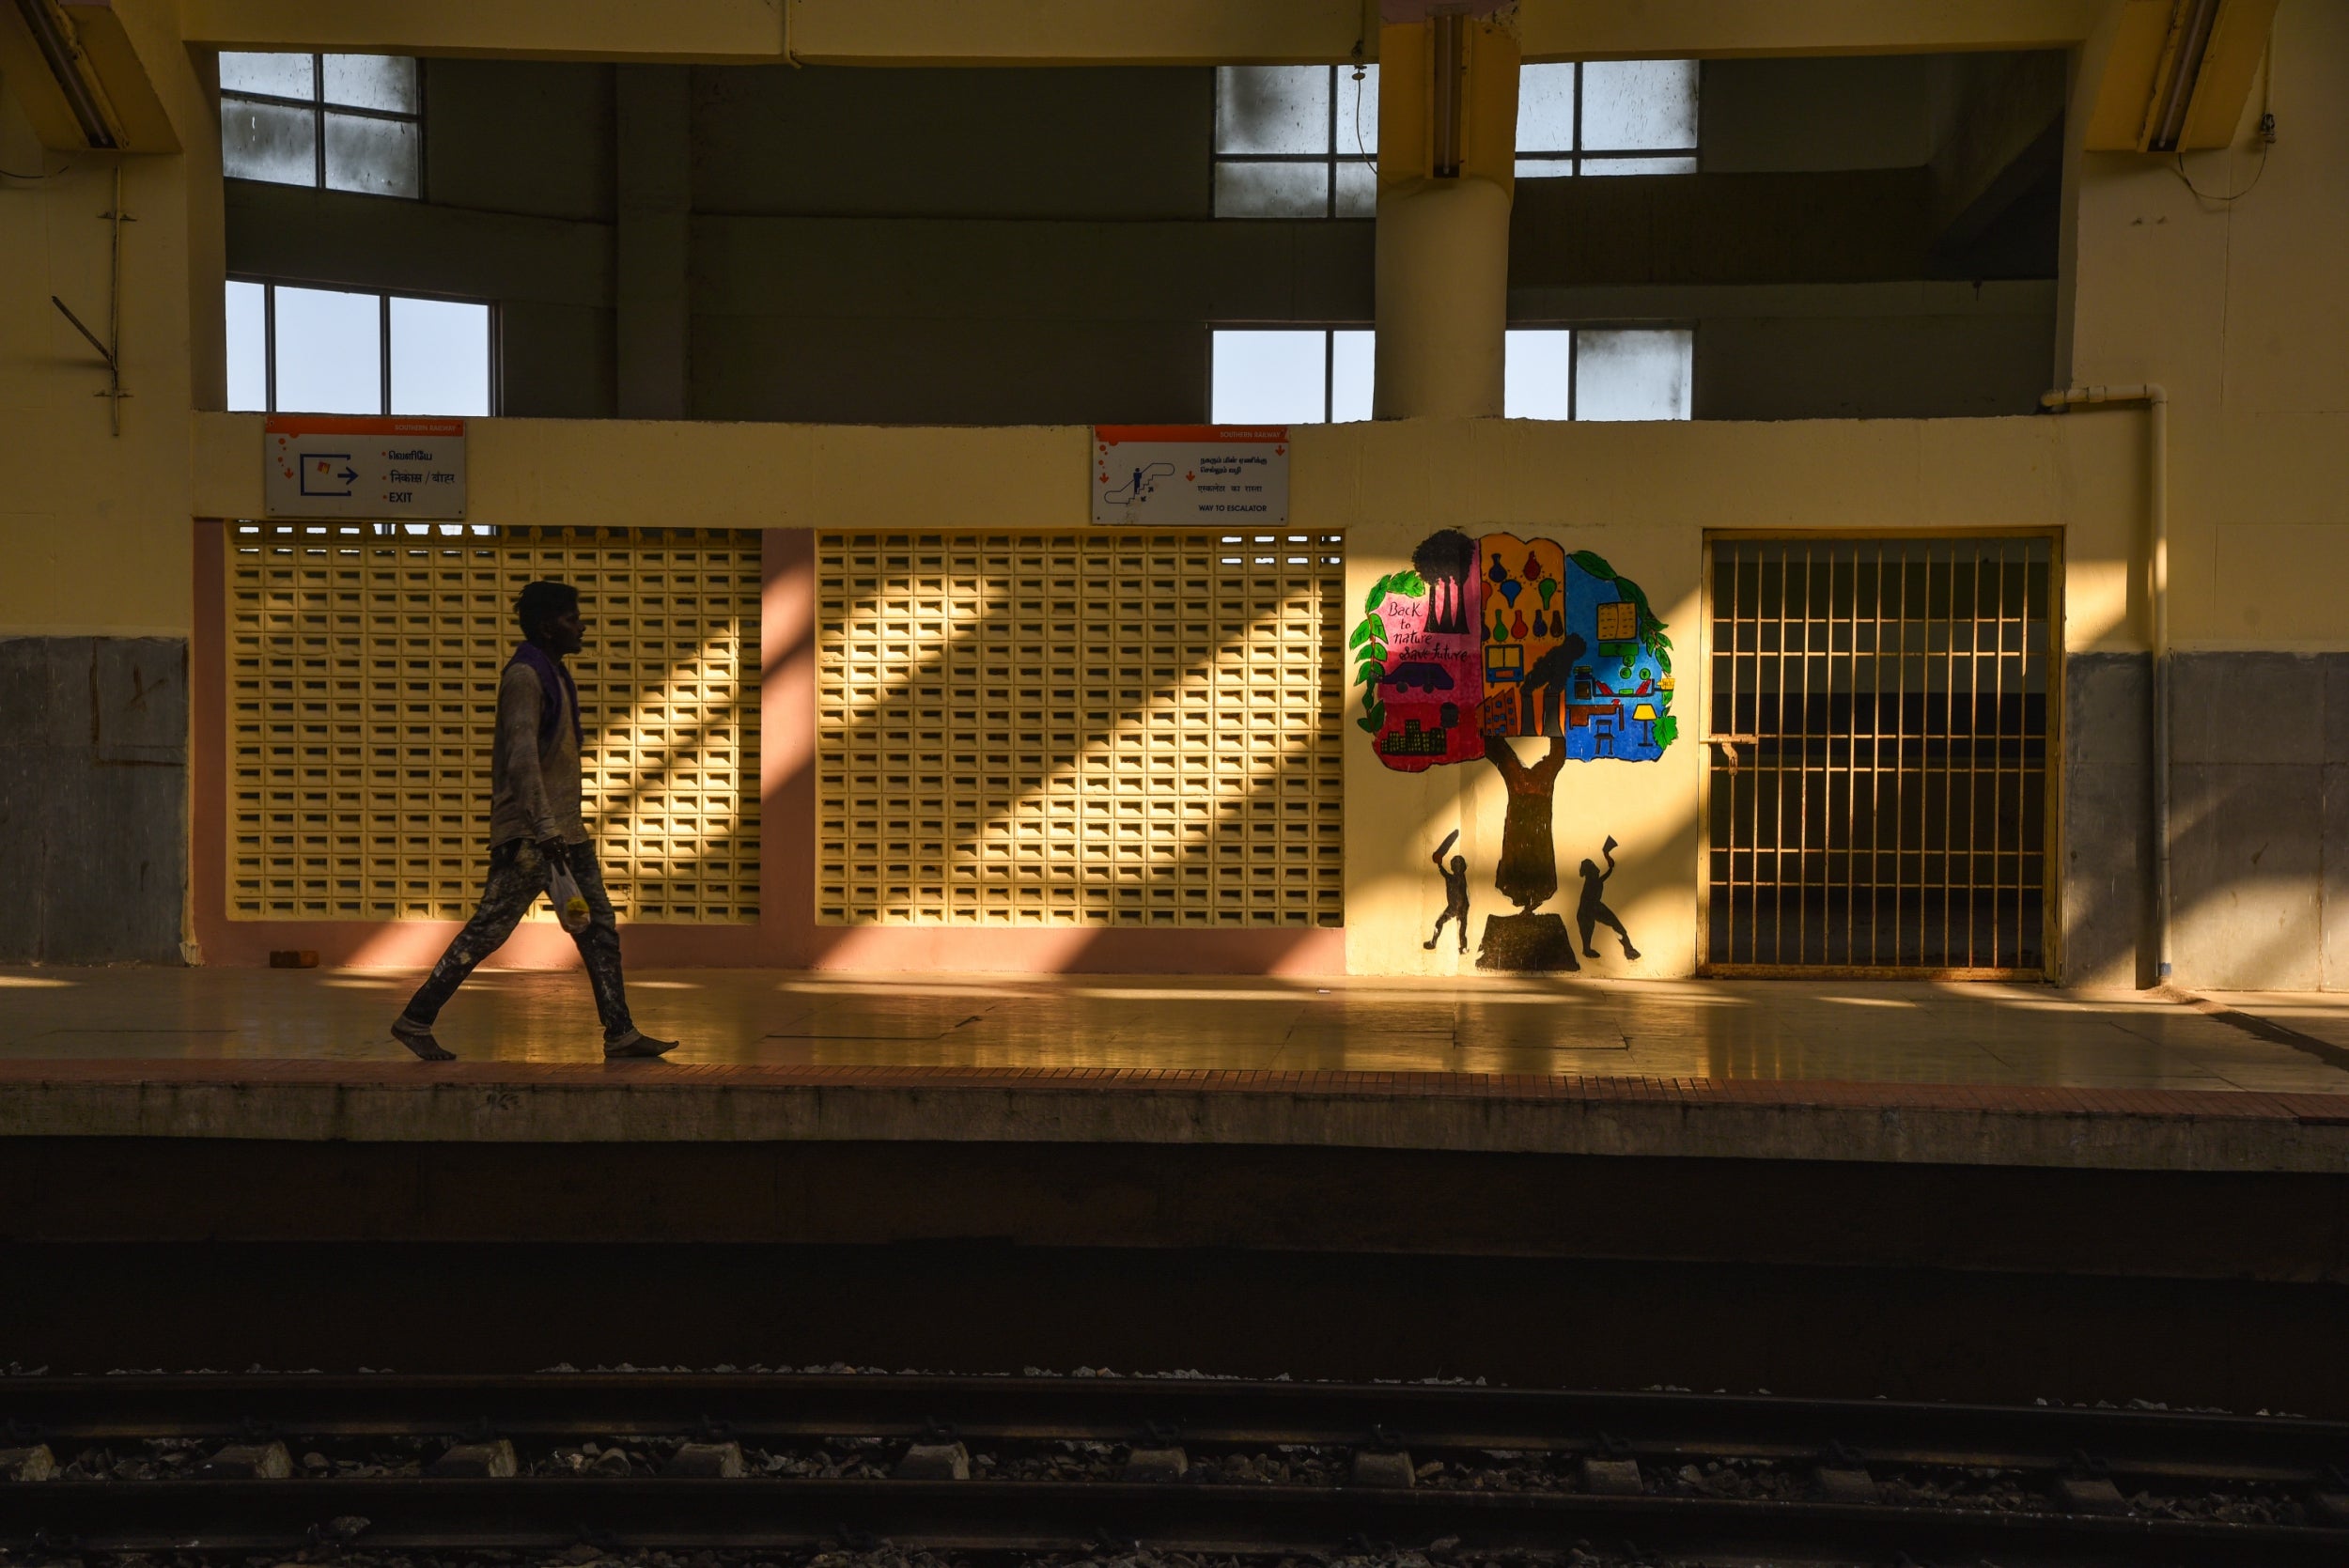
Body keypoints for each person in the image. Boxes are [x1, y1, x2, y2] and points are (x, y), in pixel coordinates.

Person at [390, 581, 677, 1062]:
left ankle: (620, 1032)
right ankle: (415, 1019)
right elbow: (522, 759)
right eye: (571, 618)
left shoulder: (554, 673)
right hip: (532, 835)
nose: (580, 625)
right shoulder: (526, 676)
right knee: (490, 929)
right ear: (547, 626)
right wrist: (545, 830)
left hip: (563, 831)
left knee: (599, 926)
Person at [1576, 834, 1641, 961]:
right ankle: (1628, 950)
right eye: (1593, 866)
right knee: (1607, 928)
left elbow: (1605, 876)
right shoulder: (1592, 881)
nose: (1596, 868)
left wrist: (1609, 860)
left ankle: (1628, 949)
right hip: (1590, 909)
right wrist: (1607, 858)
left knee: (1615, 926)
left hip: (1592, 909)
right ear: (1590, 870)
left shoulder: (1593, 880)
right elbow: (1603, 877)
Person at [1423, 829, 1470, 953]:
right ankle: (1463, 948)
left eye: (1454, 864)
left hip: (1456, 907)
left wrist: (1439, 864)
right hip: (1462, 906)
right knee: (1461, 928)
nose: (1453, 866)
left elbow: (1447, 876)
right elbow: (1448, 876)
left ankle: (1434, 943)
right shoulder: (1460, 876)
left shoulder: (1458, 877)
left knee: (1441, 922)